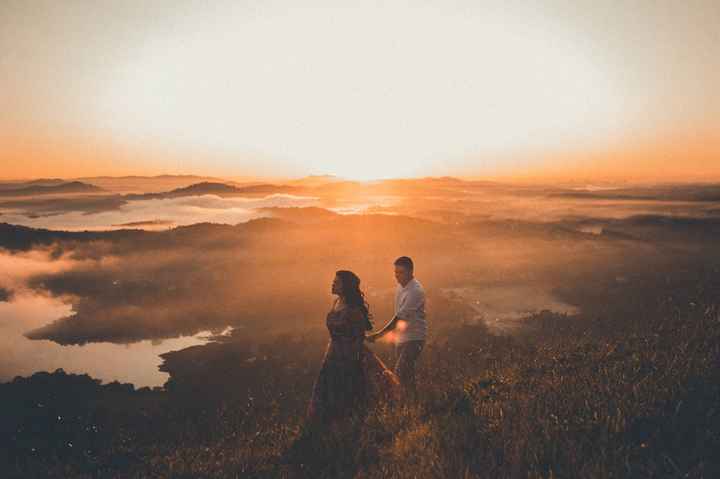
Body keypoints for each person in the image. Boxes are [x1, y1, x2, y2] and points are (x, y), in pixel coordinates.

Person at [305, 270, 401, 426]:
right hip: (333, 353)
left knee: (350, 393)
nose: (333, 284)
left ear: (345, 286)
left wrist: (352, 361)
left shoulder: (354, 310)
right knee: (328, 393)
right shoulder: (335, 303)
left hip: (349, 355)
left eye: (337, 282)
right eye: (333, 281)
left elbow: (358, 336)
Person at [367, 256, 426, 397]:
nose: (397, 276)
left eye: (401, 273)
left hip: (414, 338)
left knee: (399, 374)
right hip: (402, 339)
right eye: (395, 273)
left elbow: (399, 318)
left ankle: (403, 406)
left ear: (411, 271)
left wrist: (378, 335)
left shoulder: (415, 291)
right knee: (407, 378)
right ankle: (413, 406)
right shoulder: (401, 286)